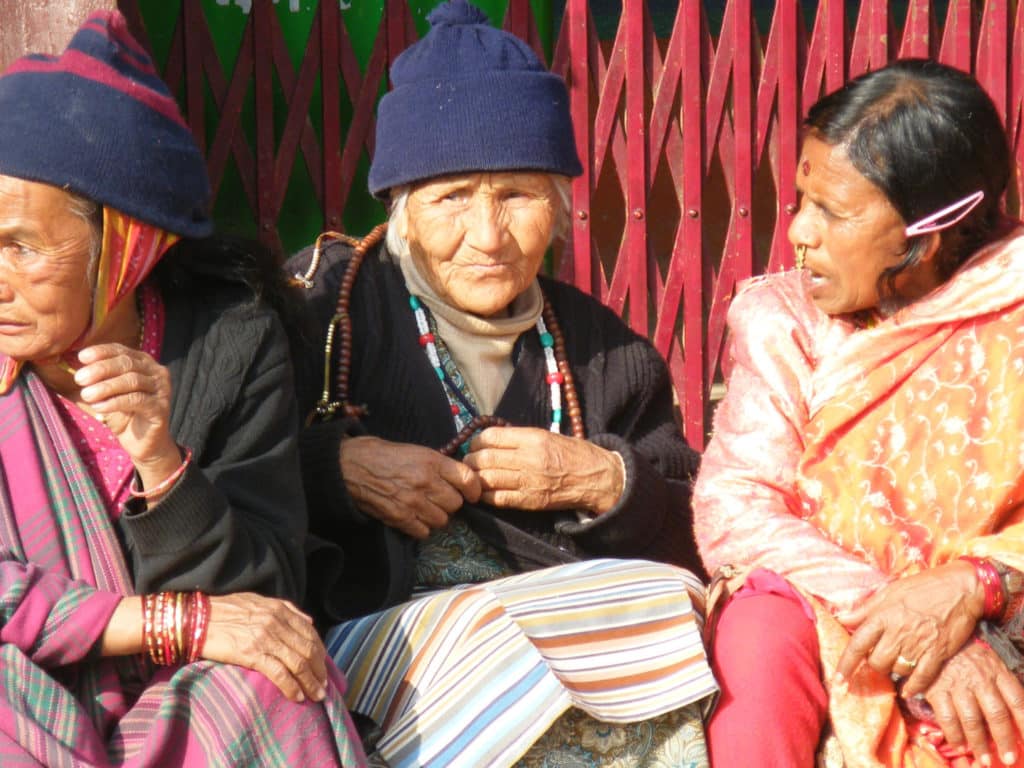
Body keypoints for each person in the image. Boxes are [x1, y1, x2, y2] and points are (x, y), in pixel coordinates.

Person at [286, 1, 716, 765]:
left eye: (517, 195)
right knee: (491, 636)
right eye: (452, 197)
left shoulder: (605, 348)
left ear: (558, 208)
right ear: (403, 210)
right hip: (392, 642)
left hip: (576, 633)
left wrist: (607, 481)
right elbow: (225, 474)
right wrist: (333, 468)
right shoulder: (323, 309)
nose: (487, 237)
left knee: (674, 605)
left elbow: (700, 528)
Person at [0, 12, 365, 766]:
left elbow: (265, 598)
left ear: (126, 245)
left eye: (21, 248)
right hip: (29, 706)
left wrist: (162, 465)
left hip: (168, 712)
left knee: (276, 685)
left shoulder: (229, 345)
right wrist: (169, 622)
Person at [694, 58, 1024, 768]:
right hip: (832, 610)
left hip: (1003, 616)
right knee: (758, 627)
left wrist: (979, 582)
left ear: (926, 234)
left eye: (834, 213)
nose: (798, 233)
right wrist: (898, 614)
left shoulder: (1014, 307)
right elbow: (735, 506)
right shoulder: (783, 320)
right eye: (802, 200)